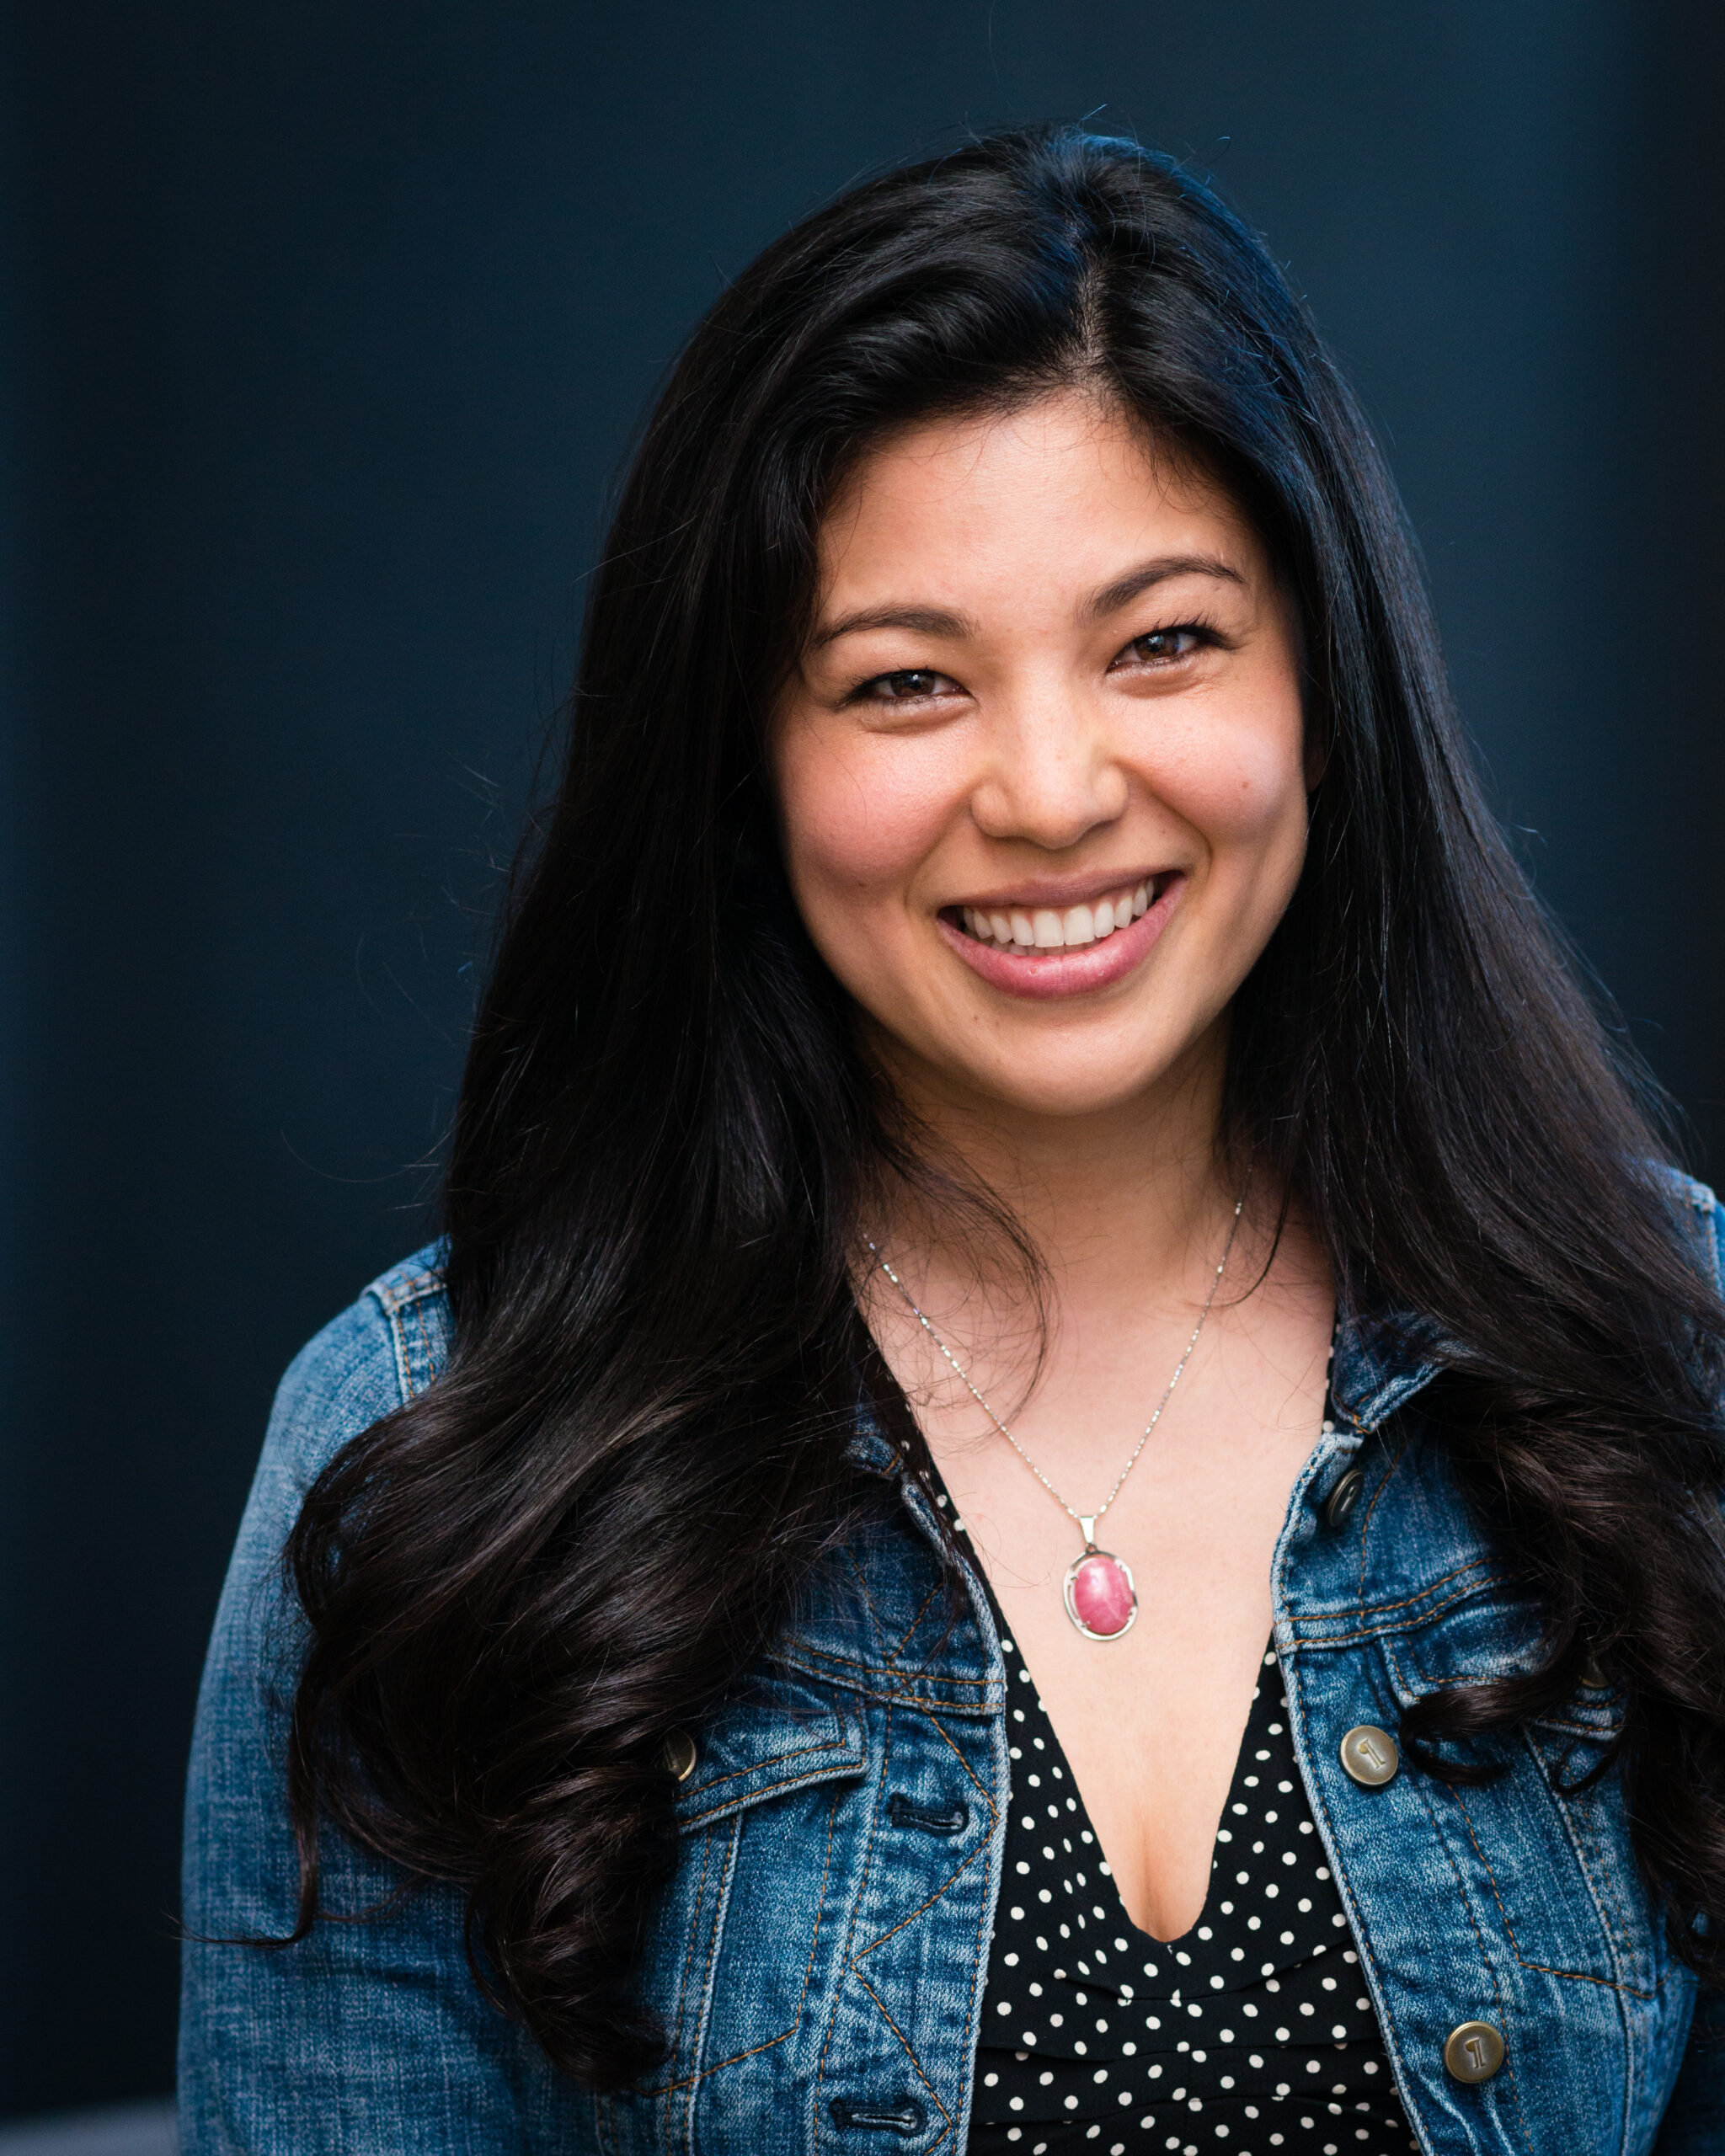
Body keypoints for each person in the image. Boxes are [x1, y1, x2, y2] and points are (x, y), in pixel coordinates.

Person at [178, 128, 1725, 2154]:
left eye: (1164, 638)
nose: (1053, 787)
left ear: (1325, 690)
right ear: (748, 766)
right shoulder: (432, 1458)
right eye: (904, 681)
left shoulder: (1661, 1349)